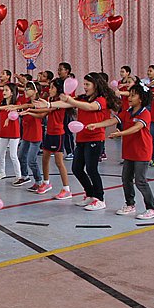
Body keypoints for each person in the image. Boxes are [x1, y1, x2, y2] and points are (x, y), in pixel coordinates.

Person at [36, 73, 120, 211]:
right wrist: (49, 104)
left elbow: (89, 107)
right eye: (84, 84)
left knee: (92, 169)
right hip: (81, 137)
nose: (85, 87)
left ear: (95, 85)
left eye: (87, 84)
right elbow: (66, 103)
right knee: (76, 168)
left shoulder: (101, 100)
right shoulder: (83, 98)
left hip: (95, 138)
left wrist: (70, 100)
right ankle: (90, 194)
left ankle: (100, 198)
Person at [92, 84, 154, 220]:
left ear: (141, 99)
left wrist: (120, 133)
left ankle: (152, 208)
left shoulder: (145, 113)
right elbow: (113, 120)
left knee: (140, 181)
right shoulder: (127, 111)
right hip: (129, 151)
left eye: (133, 95)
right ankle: (130, 204)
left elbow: (137, 127)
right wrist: (97, 125)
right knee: (126, 179)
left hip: (142, 152)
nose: (129, 97)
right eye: (130, 94)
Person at [0, 84, 22, 182]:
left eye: (6, 90)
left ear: (12, 93)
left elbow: (13, 108)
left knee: (13, 155)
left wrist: (0, 109)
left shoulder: (17, 103)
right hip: (3, 132)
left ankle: (19, 176)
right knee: (0, 154)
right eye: (3, 90)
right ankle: (2, 172)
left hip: (14, 133)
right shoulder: (0, 103)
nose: (4, 92)